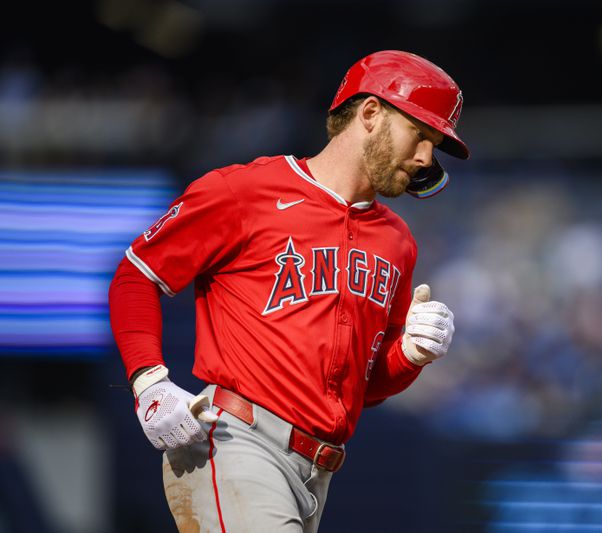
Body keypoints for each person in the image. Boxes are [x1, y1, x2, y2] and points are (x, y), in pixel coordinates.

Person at [107, 50, 468, 532]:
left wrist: (410, 355)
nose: (426, 157)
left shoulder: (397, 241)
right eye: (419, 134)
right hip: (237, 444)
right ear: (370, 112)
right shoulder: (246, 191)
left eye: (435, 143)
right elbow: (136, 274)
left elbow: (367, 385)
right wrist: (148, 381)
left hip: (317, 472)